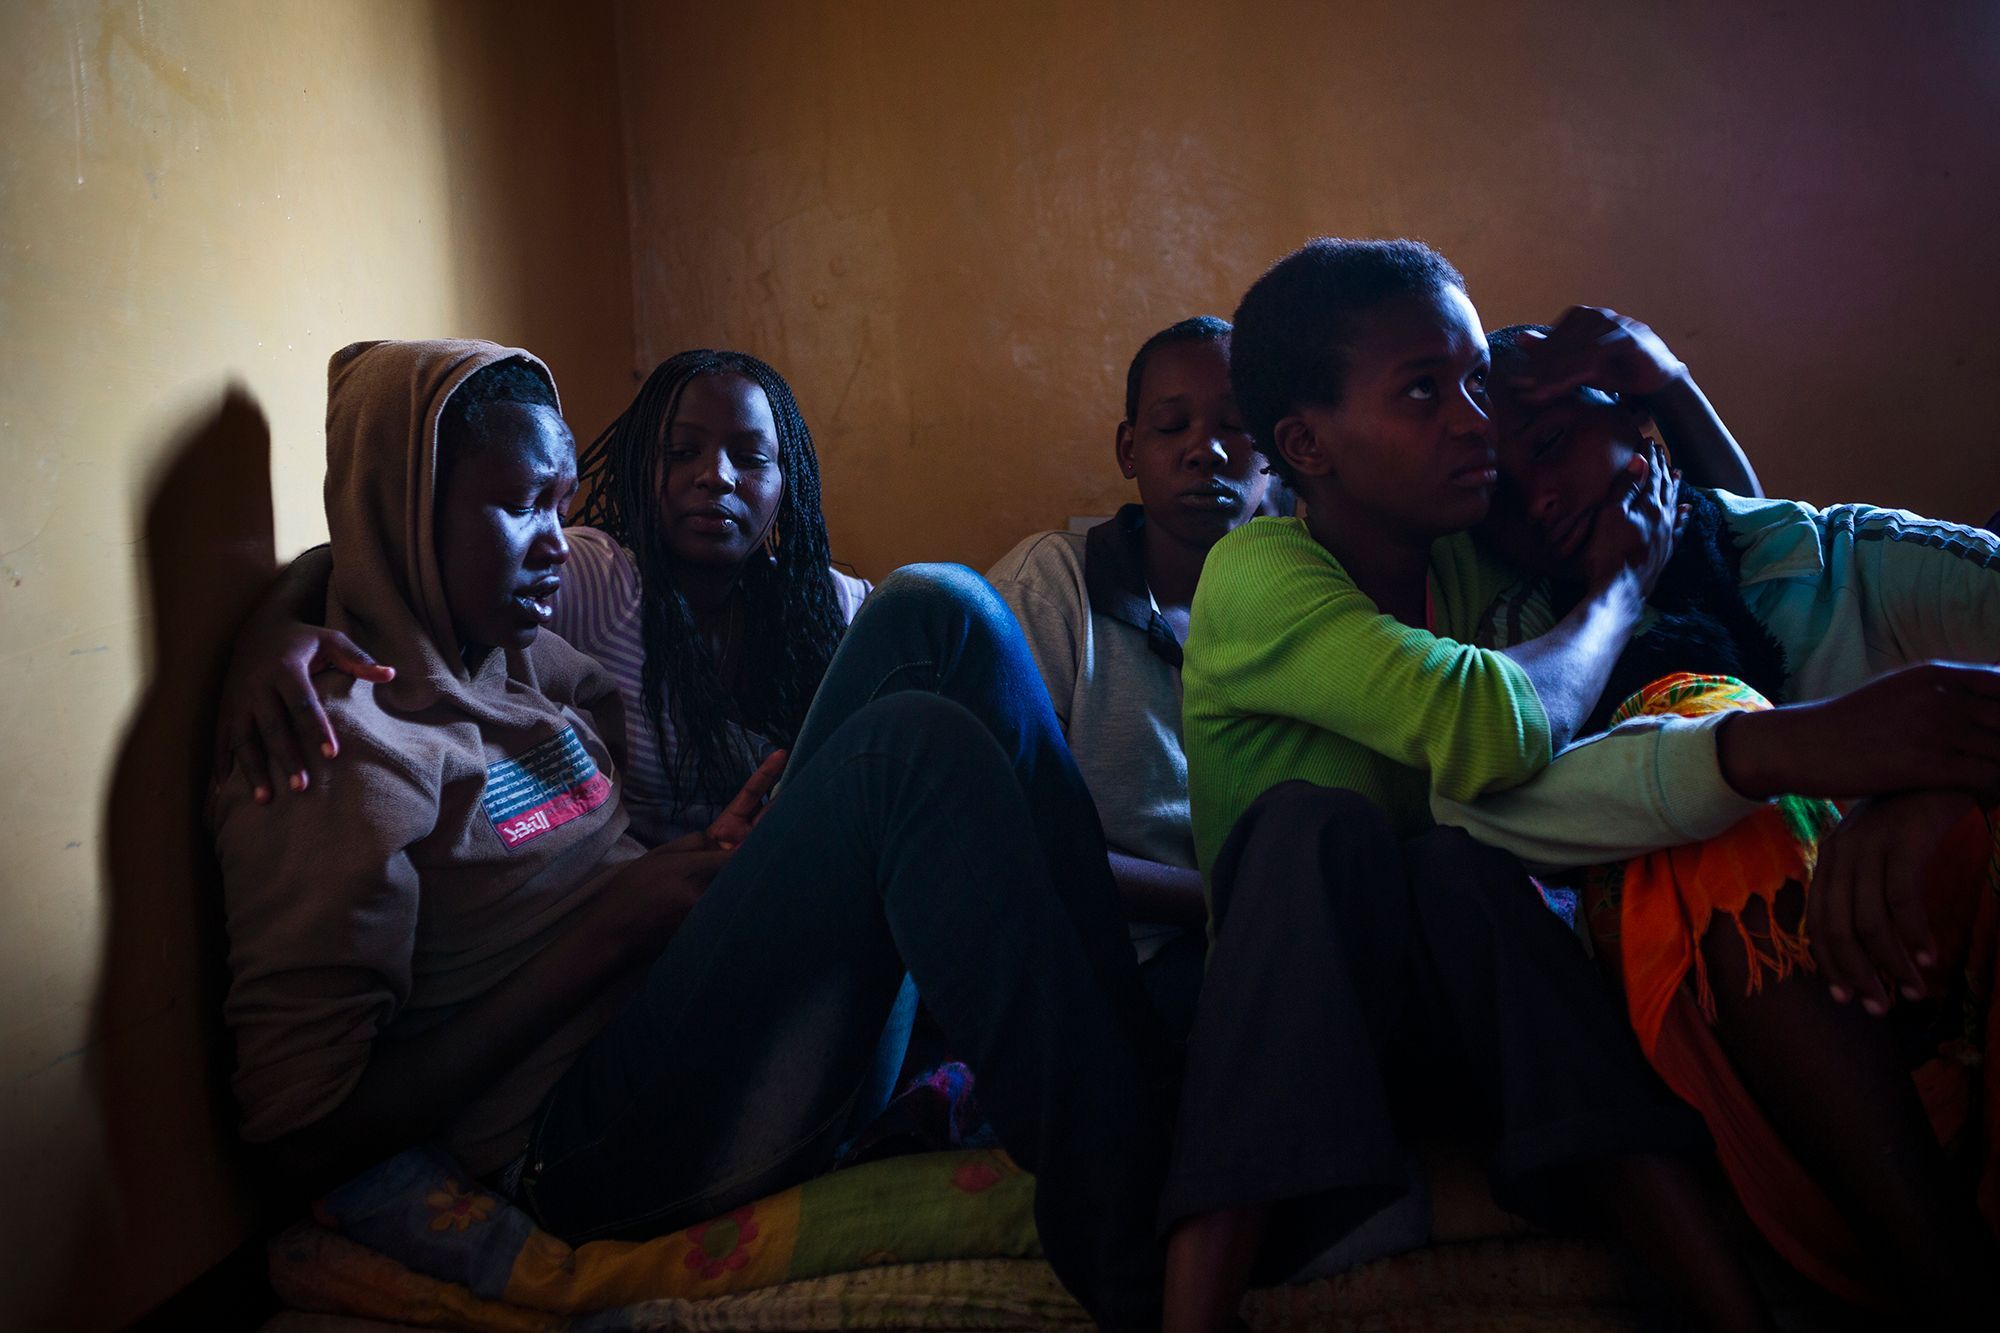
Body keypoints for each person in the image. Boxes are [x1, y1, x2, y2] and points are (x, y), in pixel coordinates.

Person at [212, 339, 1172, 1329]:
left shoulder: (519, 664)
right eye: (515, 505)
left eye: (557, 500)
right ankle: (1118, 1224)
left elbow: (370, 548)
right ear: (402, 517)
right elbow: (300, 1137)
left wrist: (688, 869)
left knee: (940, 604)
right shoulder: (334, 750)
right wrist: (609, 934)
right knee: (902, 751)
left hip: (692, 1029)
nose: (551, 537)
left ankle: (1134, 1087)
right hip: (586, 1145)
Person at [1162, 239, 1769, 1333]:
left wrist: (1667, 385)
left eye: (1476, 382)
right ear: (1306, 445)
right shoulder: (1253, 575)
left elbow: (1731, 546)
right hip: (1299, 1039)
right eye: (1422, 392)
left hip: (1469, 1029)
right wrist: (1615, 594)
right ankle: (1189, 1303)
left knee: (1453, 862)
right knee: (1315, 830)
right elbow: (1487, 724)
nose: (1470, 419)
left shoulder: (1462, 555)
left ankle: (1729, 1304)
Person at [1430, 307, 2000, 1318]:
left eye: (1555, 444)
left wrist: (1936, 780)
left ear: (1642, 427)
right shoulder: (1523, 657)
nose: (1545, 496)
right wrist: (1774, 750)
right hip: (1765, 1122)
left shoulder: (1840, 561)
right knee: (1696, 730)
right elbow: (1470, 815)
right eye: (1506, 497)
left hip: (1944, 1016)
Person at [214, 349, 869, 851]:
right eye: (682, 450)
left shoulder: (818, 602)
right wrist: (272, 628)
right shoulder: (598, 578)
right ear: (642, 464)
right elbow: (405, 552)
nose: (715, 476)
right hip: (683, 911)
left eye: (751, 458)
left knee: (936, 606)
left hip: (802, 870)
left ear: (791, 482)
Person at [986, 315, 1267, 1037]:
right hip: (1102, 961)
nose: (1206, 451)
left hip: (1251, 938)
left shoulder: (1302, 605)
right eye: (1172, 427)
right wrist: (1224, 899)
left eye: (1237, 425)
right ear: (1128, 450)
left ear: (1278, 451)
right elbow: (1009, 841)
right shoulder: (1052, 588)